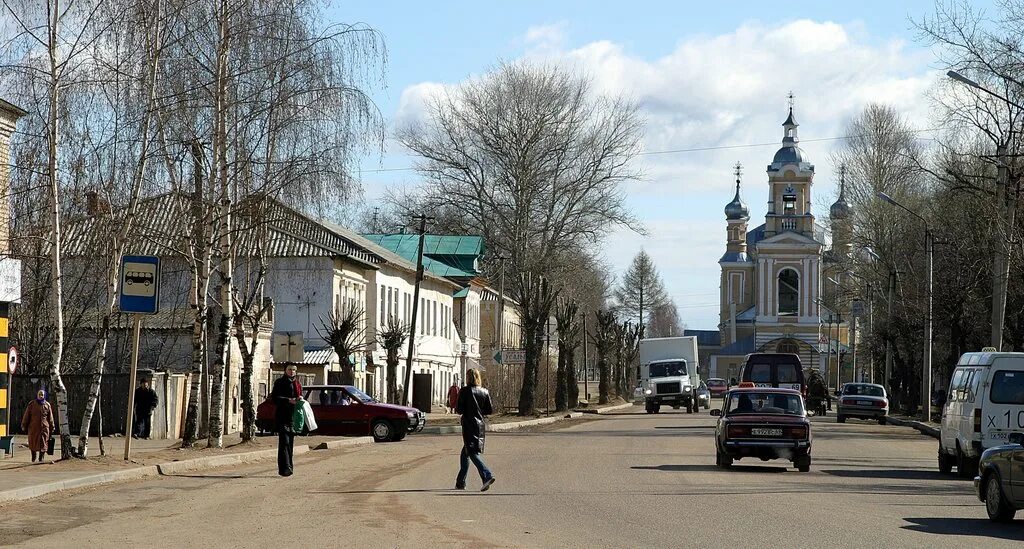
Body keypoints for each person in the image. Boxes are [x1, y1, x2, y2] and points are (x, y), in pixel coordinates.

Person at [455, 369, 496, 492]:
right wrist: (478, 411)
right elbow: (489, 410)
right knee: (465, 452)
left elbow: (459, 409)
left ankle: (487, 475)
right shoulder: (484, 392)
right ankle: (460, 482)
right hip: (480, 425)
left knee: (472, 452)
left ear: (468, 378)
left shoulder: (464, 391)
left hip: (469, 424)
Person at [271, 365, 302, 477]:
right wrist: (288, 400)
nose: (292, 372)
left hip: (293, 417)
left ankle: (289, 467)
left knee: (290, 443)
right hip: (282, 416)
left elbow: (299, 395)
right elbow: (275, 398)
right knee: (284, 442)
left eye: (294, 370)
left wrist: (299, 399)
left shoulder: (297, 383)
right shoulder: (280, 382)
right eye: (289, 369)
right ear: (285, 370)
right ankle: (284, 468)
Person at [21, 389, 54, 463]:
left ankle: (41, 458)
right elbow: (26, 416)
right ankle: (33, 457)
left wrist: (52, 426)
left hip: (44, 428)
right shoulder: (32, 404)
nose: (41, 396)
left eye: (42, 394)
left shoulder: (47, 405)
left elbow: (50, 417)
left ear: (44, 396)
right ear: (37, 395)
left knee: (43, 443)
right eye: (39, 394)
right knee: (33, 443)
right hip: (33, 428)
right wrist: (23, 425)